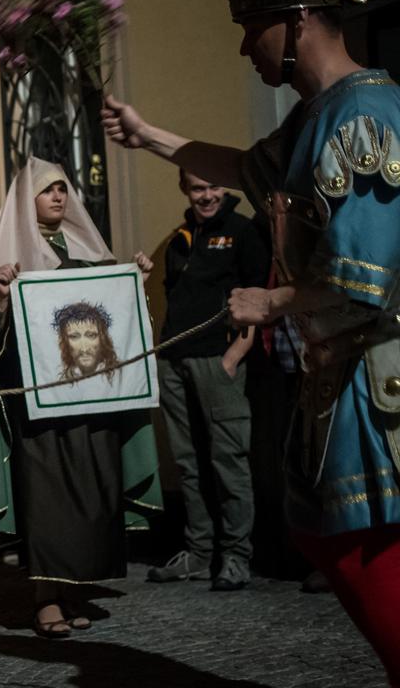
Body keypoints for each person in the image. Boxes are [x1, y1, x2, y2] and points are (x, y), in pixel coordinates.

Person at [101, 0, 400, 679]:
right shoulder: (309, 121)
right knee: (333, 542)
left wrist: (270, 303)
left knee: (376, 561)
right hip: (341, 382)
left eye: (250, 30)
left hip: (385, 384)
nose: (245, 50)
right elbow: (239, 168)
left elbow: (364, 277)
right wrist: (147, 138)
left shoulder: (365, 115)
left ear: (297, 19)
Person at [0, 157, 161, 638]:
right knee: (48, 500)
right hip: (39, 408)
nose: (58, 196)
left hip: (91, 403)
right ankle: (45, 597)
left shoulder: (88, 252)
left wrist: (132, 279)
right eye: (47, 189)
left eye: (63, 188)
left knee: (91, 493)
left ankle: (76, 589)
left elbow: (114, 317)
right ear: (25, 200)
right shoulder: (7, 259)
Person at [147, 172, 269, 589]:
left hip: (218, 360)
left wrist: (233, 358)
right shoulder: (180, 238)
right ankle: (199, 552)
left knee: (227, 460)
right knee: (187, 461)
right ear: (184, 189)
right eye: (198, 188)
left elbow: (256, 300)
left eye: (214, 187)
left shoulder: (243, 232)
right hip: (174, 361)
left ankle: (236, 556)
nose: (207, 196)